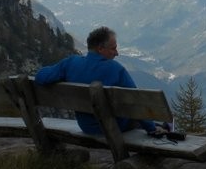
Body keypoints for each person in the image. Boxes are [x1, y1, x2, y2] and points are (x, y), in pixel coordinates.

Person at [34, 26, 166, 136]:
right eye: (113, 48)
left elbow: (41, 76)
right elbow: (136, 104)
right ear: (100, 49)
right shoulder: (116, 69)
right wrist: (151, 129)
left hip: (87, 127)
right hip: (113, 126)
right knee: (159, 124)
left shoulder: (70, 63)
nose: (117, 53)